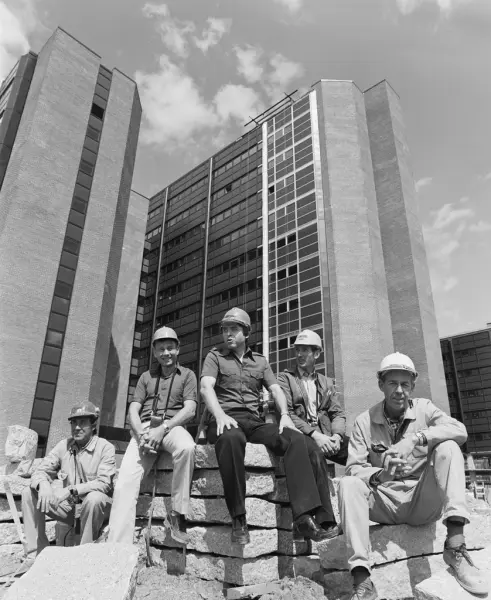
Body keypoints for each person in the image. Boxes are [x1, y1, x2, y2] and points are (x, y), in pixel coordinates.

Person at [338, 352, 488, 600]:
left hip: (421, 501)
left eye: (405, 384)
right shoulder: (364, 422)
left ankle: (455, 546)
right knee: (348, 484)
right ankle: (362, 582)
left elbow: (459, 430)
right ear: (381, 384)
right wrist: (382, 475)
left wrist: (417, 439)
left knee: (449, 447)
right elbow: (353, 467)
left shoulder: (425, 409)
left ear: (412, 386)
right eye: (392, 383)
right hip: (384, 502)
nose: (399, 390)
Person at [200, 307, 339, 545]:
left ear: (246, 333)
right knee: (232, 439)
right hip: (226, 418)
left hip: (254, 422)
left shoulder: (260, 361)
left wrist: (284, 415)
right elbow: (206, 387)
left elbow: (275, 390)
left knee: (298, 439)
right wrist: (220, 415)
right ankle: (238, 518)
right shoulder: (215, 356)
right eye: (225, 329)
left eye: (234, 329)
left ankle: (304, 518)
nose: (228, 334)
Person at [108, 326, 196, 545]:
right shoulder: (145, 377)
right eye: (161, 349)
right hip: (145, 429)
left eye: (170, 348)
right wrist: (140, 435)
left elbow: (190, 410)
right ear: (155, 353)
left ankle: (177, 514)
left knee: (187, 447)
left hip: (172, 426)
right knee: (124, 483)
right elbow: (133, 410)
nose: (166, 353)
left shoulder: (188, 375)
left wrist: (163, 428)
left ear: (178, 349)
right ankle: (117, 546)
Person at [22, 402, 115, 563]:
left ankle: (83, 557)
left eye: (82, 422)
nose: (77, 427)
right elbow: (40, 470)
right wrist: (43, 484)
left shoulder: (105, 447)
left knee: (93, 499)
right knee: (29, 493)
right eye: (73, 423)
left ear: (93, 425)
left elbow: (104, 483)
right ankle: (36, 556)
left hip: (96, 510)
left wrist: (71, 490)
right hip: (72, 508)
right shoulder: (64, 446)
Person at [277, 329, 348, 533]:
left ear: (316, 353)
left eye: (305, 350)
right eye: (297, 350)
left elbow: (338, 413)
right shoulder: (285, 378)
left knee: (359, 451)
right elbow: (288, 413)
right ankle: (326, 521)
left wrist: (336, 436)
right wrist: (315, 436)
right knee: (315, 455)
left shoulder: (326, 382)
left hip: (327, 434)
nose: (299, 354)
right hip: (303, 434)